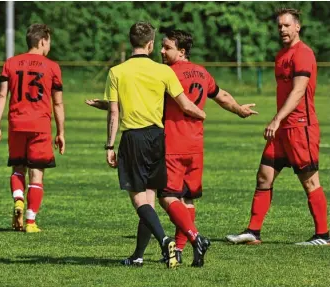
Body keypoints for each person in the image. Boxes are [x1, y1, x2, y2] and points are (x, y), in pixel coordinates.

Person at [87, 29, 258, 266]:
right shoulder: (201, 72)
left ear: (182, 51)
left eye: (167, 48)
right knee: (187, 199)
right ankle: (178, 250)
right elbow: (221, 95)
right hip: (196, 144)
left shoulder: (168, 73)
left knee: (166, 197)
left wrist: (106, 106)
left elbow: (145, 103)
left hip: (171, 143)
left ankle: (193, 238)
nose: (162, 51)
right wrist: (239, 109)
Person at [103, 22, 206, 269]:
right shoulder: (164, 72)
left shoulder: (117, 72)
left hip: (134, 138)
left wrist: (109, 145)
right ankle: (138, 255)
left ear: (132, 42)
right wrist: (201, 114)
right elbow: (184, 104)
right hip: (159, 139)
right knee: (149, 199)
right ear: (150, 44)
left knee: (140, 202)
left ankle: (164, 240)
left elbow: (114, 112)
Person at [226, 8, 329, 245]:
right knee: (264, 176)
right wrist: (279, 122)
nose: (282, 29)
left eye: (286, 25)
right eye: (279, 26)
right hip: (283, 129)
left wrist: (276, 119)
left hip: (300, 127)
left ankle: (323, 236)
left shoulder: (303, 54)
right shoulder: (282, 54)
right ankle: (253, 232)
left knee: (310, 181)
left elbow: (299, 91)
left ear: (297, 27)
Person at [0, 24, 65, 233]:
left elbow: (2, 95)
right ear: (42, 41)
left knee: (17, 169)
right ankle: (31, 221)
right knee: (37, 174)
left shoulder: (11, 63)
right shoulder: (52, 67)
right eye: (48, 42)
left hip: (16, 123)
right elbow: (57, 103)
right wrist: (60, 132)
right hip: (40, 126)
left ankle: (18, 200)